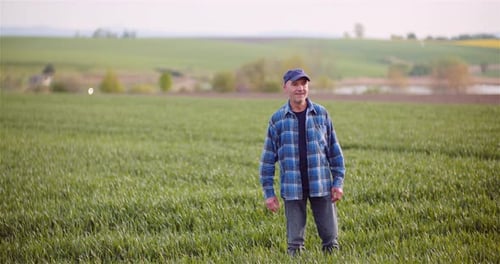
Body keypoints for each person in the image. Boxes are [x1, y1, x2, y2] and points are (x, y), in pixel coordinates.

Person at [259, 68, 346, 256]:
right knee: (294, 246)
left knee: (331, 242)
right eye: (295, 84)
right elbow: (267, 161)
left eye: (304, 84)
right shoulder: (277, 120)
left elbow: (335, 153)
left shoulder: (321, 114)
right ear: (285, 87)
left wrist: (338, 183)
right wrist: (269, 193)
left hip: (322, 186)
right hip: (292, 189)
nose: (300, 88)